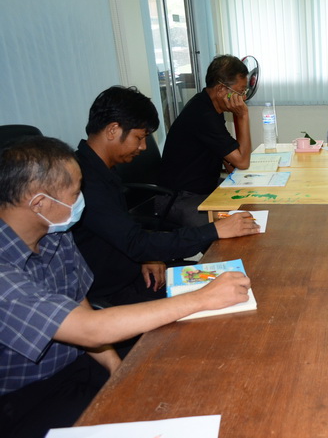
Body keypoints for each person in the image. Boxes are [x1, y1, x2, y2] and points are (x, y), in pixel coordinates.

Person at [0, 136, 252, 437]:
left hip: (80, 363)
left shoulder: (53, 234)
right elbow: (89, 328)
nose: (82, 201)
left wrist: (114, 367)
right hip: (26, 399)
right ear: (39, 203)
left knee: (189, 378)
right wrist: (202, 298)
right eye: (76, 193)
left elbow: (78, 300)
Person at [73, 86, 261, 307]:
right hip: (115, 293)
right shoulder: (82, 182)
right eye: (139, 137)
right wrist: (215, 230)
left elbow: (122, 233)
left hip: (135, 273)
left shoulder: (99, 169)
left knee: (235, 279)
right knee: (232, 292)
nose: (143, 146)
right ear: (113, 130)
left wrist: (145, 258)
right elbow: (136, 243)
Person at [158, 54, 253, 227]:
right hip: (179, 199)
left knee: (252, 203)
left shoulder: (209, 106)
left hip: (203, 189)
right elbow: (242, 162)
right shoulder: (203, 115)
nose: (243, 98)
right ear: (221, 89)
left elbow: (232, 161)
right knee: (236, 227)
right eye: (240, 92)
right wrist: (243, 115)